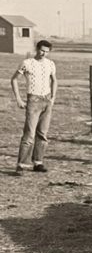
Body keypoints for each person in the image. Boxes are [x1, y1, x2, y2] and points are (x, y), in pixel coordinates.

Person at [11, 40, 58, 176]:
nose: (44, 53)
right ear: (36, 49)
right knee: (29, 134)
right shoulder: (27, 63)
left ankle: (38, 162)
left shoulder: (50, 64)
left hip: (46, 100)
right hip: (33, 100)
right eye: (42, 50)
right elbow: (14, 79)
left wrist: (53, 97)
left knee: (42, 133)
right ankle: (22, 165)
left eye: (47, 51)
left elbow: (54, 80)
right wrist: (19, 99)